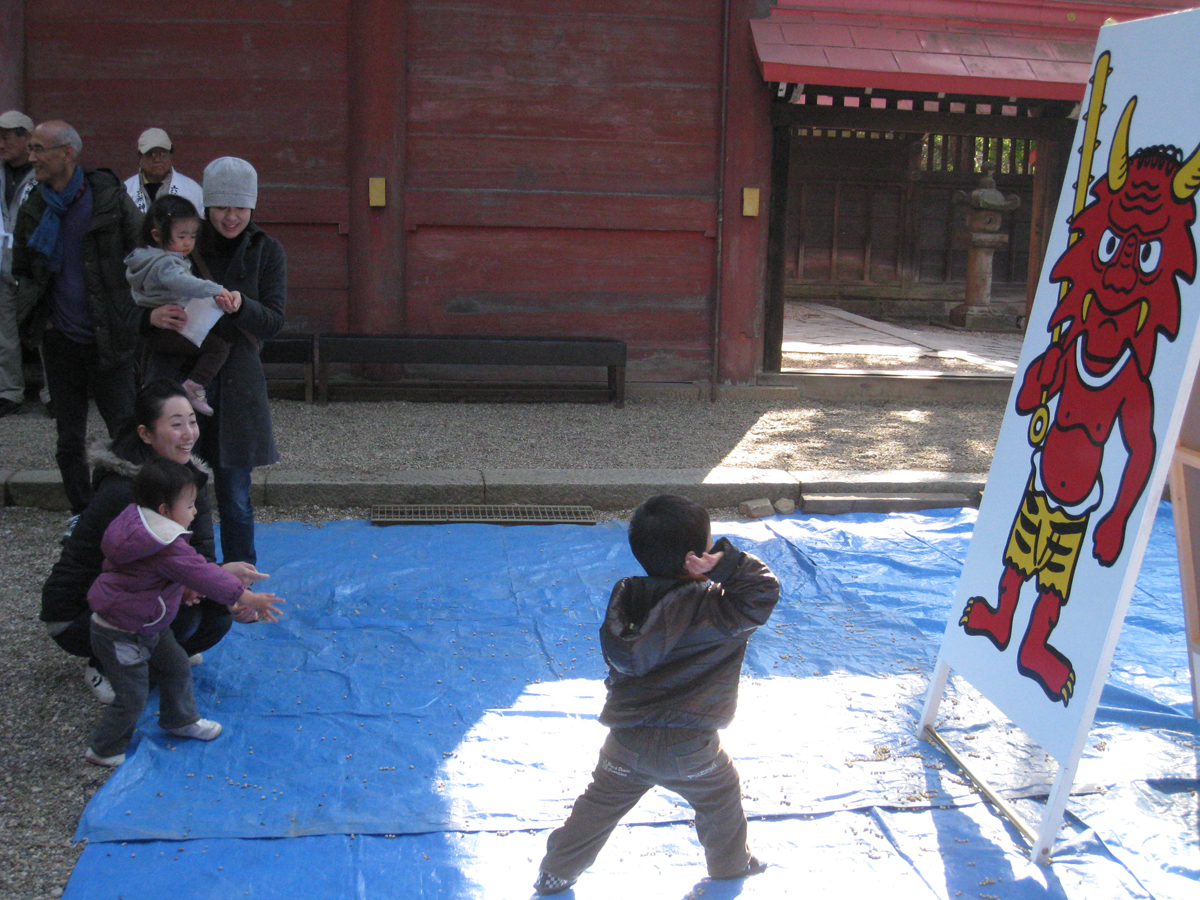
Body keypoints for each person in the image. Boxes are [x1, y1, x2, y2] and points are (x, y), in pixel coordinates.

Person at [533, 494, 780, 894]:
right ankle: (731, 866)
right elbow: (764, 591)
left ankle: (556, 872)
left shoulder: (628, 600)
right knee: (721, 796)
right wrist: (727, 564)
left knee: (597, 806)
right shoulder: (720, 611)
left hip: (625, 741)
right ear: (697, 553)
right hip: (691, 746)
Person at [41, 379, 267, 704]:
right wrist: (224, 583)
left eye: (192, 421)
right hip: (79, 614)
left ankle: (160, 655)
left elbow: (196, 557)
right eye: (176, 425)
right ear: (145, 434)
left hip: (137, 591)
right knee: (182, 615)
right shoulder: (124, 491)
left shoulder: (188, 479)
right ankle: (105, 663)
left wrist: (224, 584)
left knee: (216, 618)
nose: (189, 433)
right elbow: (162, 570)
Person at [84, 457, 284, 767]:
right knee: (132, 696)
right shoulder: (162, 542)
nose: (194, 512)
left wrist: (187, 589)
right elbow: (202, 573)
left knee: (177, 666)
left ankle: (179, 719)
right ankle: (104, 747)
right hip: (121, 632)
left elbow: (159, 575)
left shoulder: (141, 524)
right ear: (165, 511)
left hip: (149, 623)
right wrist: (248, 598)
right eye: (190, 505)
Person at [144, 156, 286, 565]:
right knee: (177, 493)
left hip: (237, 382)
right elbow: (134, 301)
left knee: (236, 496)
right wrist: (150, 317)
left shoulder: (266, 250)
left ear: (252, 207)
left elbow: (275, 320)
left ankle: (240, 581)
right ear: (206, 205)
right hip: (177, 378)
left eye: (240, 208)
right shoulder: (180, 242)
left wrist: (242, 306)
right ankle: (183, 578)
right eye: (222, 207)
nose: (230, 217)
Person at [11, 119, 142, 514]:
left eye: (38, 149)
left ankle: (128, 509)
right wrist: (41, 317)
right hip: (61, 339)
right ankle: (82, 513)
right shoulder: (35, 205)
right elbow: (22, 268)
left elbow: (140, 250)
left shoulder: (106, 195)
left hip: (110, 335)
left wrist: (133, 309)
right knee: (69, 437)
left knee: (126, 429)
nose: (30, 156)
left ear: (66, 153)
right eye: (30, 148)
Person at [126, 194, 242, 415]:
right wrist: (215, 289)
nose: (188, 243)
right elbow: (181, 282)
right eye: (181, 236)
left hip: (152, 328)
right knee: (218, 347)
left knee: (148, 365)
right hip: (170, 328)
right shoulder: (167, 262)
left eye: (192, 236)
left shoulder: (142, 257)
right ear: (157, 235)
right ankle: (194, 386)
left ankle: (144, 389)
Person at [0, 110, 37, 417]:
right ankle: (9, 391)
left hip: (36, 267)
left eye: (6, 136)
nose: (0, 143)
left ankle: (54, 393)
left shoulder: (42, 172)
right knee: (4, 334)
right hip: (2, 264)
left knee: (46, 332)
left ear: (26, 138)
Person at [123, 127, 204, 215]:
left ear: (171, 156)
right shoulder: (126, 190)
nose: (157, 160)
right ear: (140, 158)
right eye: (151, 154)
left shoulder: (192, 190)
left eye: (162, 154)